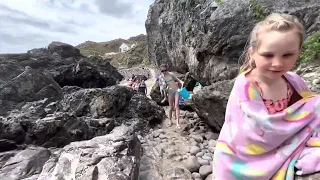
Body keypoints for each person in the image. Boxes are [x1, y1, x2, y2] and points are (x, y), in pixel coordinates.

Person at [213, 13, 320, 179]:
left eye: (287, 55)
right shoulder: (246, 85)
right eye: (268, 55)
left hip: (283, 145)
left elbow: (309, 115)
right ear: (252, 53)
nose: (277, 63)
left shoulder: (294, 81)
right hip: (243, 160)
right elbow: (252, 132)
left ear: (298, 52)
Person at [160, 64, 183, 129]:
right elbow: (163, 87)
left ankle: (177, 123)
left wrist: (180, 88)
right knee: (170, 107)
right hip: (170, 91)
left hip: (176, 91)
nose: (164, 72)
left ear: (167, 69)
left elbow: (179, 81)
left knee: (176, 106)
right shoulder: (162, 77)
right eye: (162, 71)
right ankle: (170, 121)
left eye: (165, 70)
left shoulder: (171, 74)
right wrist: (165, 96)